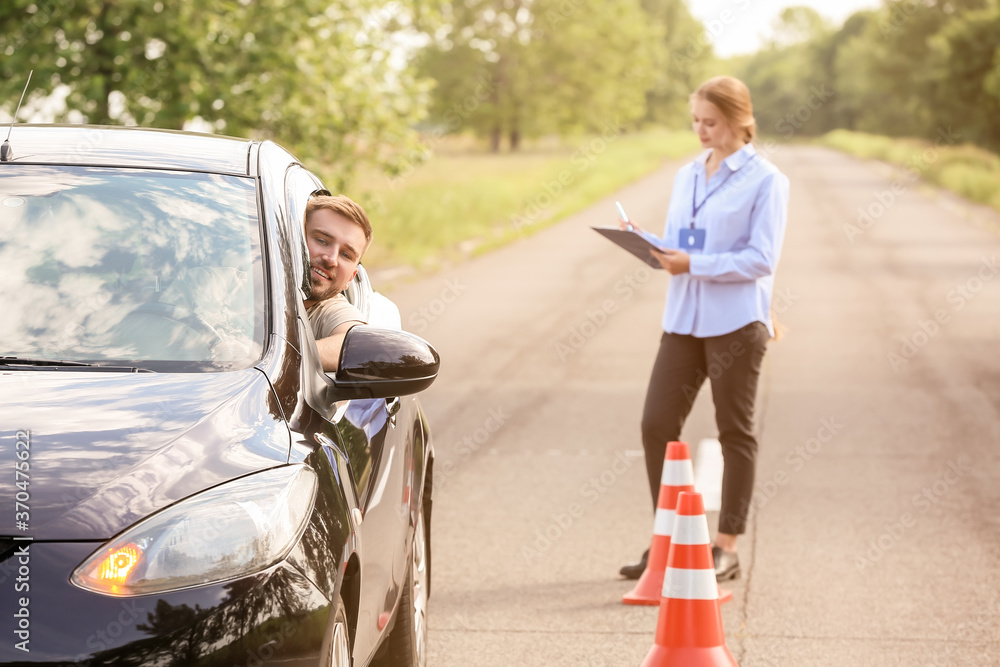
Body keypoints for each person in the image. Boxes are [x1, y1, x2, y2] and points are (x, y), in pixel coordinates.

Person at [618, 76, 790, 582]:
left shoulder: (767, 180)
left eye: (710, 122)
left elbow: (761, 259)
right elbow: (680, 240)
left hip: (736, 322)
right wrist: (652, 247)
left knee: (734, 431)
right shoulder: (688, 174)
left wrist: (692, 263)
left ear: (739, 120)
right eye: (695, 120)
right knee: (656, 425)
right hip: (683, 320)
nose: (700, 130)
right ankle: (666, 541)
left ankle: (726, 547)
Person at [302, 194, 373, 371]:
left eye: (346, 255)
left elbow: (359, 348)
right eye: (321, 240)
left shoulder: (330, 310)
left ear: (351, 278)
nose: (331, 259)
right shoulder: (237, 282)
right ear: (294, 239)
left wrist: (268, 357)